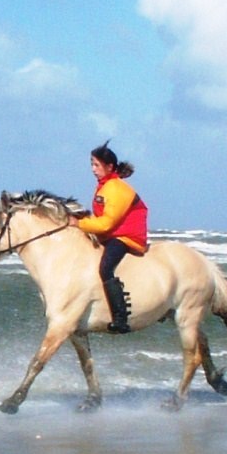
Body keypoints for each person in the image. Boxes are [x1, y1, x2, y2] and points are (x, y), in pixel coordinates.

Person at [76, 141, 148, 334]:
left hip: (126, 236)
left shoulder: (116, 189)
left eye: (96, 165)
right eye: (91, 164)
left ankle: (120, 318)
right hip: (112, 233)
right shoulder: (104, 186)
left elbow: (106, 223)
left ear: (109, 167)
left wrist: (78, 224)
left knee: (106, 267)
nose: (93, 169)